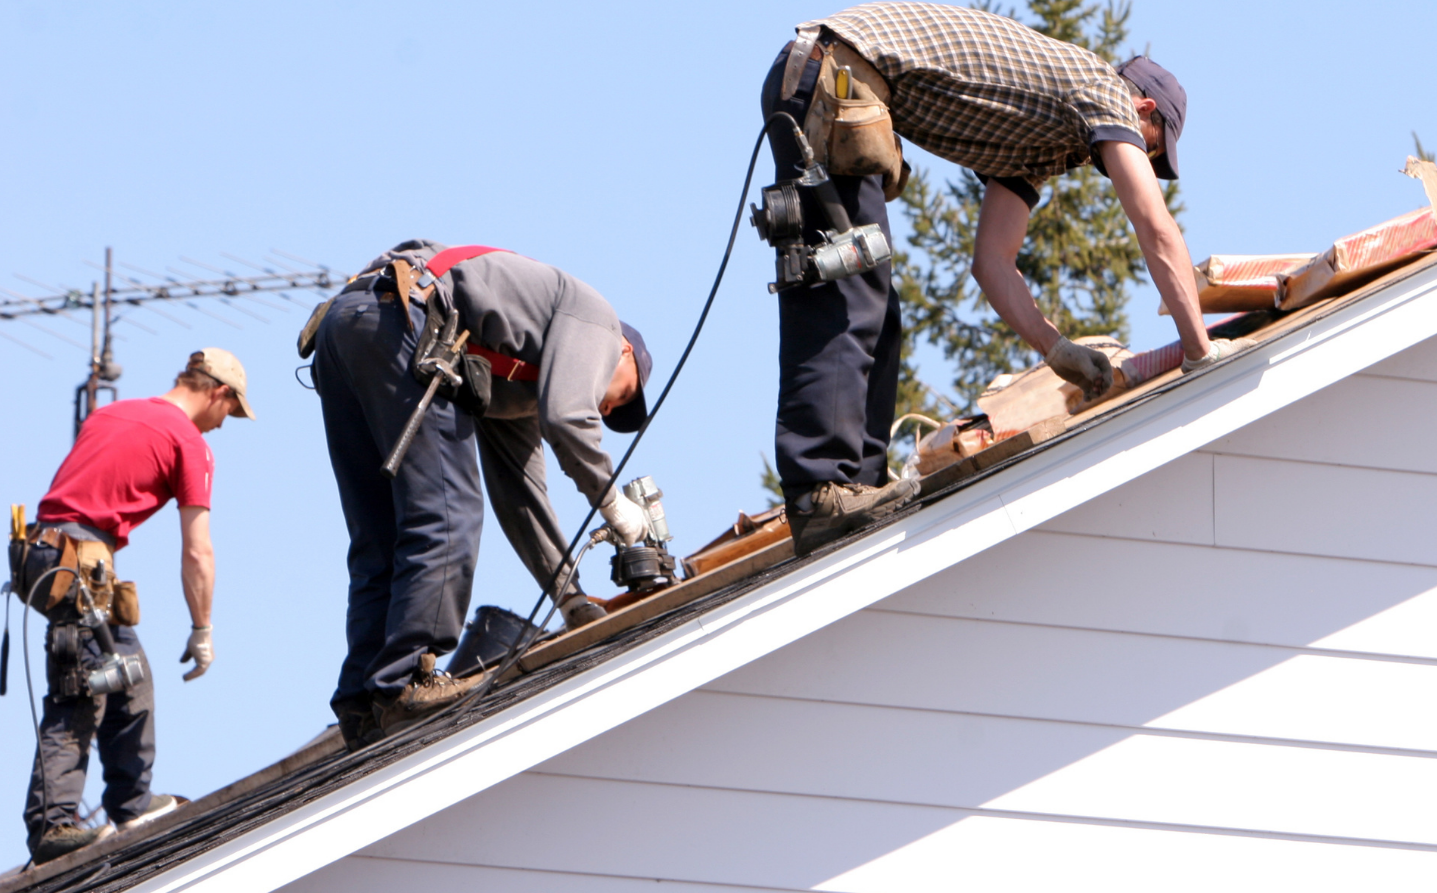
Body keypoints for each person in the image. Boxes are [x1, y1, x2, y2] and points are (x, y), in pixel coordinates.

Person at [763, 2, 1252, 555]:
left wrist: (1055, 347)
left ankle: (856, 487)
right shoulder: (1102, 88)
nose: (1139, 156)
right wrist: (1199, 352)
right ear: (1142, 106)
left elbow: (991, 262)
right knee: (847, 284)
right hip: (832, 75)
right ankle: (820, 494)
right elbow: (1154, 224)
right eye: (1151, 145)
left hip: (835, 81)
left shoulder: (1037, 142)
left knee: (873, 299)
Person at [309, 240, 655, 750]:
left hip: (350, 325)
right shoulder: (598, 321)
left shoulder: (515, 380)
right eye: (622, 393)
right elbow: (569, 418)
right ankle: (406, 682)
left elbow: (522, 495)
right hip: (402, 318)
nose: (606, 406)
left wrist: (571, 600)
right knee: (449, 514)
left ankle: (363, 704)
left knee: (382, 535)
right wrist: (612, 503)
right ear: (623, 350)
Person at [15, 349, 250, 863]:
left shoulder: (112, 414)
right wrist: (202, 627)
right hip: (78, 561)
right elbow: (197, 550)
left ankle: (131, 802)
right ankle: (53, 826)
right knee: (83, 688)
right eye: (227, 413)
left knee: (129, 673)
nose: (221, 426)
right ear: (219, 392)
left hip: (45, 551)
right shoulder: (187, 441)